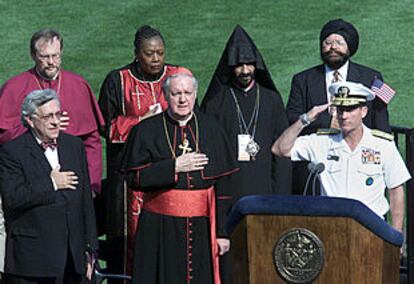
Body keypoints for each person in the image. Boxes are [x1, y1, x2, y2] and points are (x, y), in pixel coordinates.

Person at [121, 70, 238, 284]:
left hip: (204, 227)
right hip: (159, 227)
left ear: (195, 95)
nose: (183, 99)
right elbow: (133, 178)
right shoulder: (146, 131)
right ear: (165, 96)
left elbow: (224, 187)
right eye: (176, 94)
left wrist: (222, 232)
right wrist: (173, 166)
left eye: (187, 93)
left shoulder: (212, 129)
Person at [201, 25, 291, 283]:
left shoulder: (271, 100)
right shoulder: (217, 101)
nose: (244, 70)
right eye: (239, 65)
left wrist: (280, 196)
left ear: (257, 65)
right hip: (228, 192)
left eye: (249, 64)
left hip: (264, 189)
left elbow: (282, 153)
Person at [98, 25, 188, 275]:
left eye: (160, 52)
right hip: (128, 178)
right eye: (150, 53)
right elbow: (104, 125)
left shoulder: (176, 75)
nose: (157, 59)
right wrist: (142, 123)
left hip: (169, 172)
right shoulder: (118, 80)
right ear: (137, 53)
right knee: (128, 238)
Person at [272, 81, 411, 232]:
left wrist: (396, 233)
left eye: (350, 109)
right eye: (340, 109)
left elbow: (396, 189)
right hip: (332, 229)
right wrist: (304, 119)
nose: (343, 116)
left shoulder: (382, 144)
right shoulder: (322, 142)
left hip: (371, 230)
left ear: (363, 111)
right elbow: (280, 149)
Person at [0, 89, 98, 283]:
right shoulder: (12, 152)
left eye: (58, 114)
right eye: (47, 116)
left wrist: (90, 248)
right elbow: (12, 198)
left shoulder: (74, 146)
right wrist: (51, 183)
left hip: (73, 259)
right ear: (30, 120)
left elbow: (85, 200)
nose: (55, 121)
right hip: (35, 261)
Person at [285, 19, 391, 194]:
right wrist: (328, 122)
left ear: (350, 46)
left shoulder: (371, 77)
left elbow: (381, 122)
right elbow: (291, 117)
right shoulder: (302, 79)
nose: (332, 47)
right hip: (317, 166)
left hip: (359, 163)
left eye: (339, 43)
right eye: (327, 43)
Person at [0, 29, 104, 196]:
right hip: (31, 176)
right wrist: (36, 127)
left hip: (72, 175)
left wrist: (92, 184)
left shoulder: (78, 85)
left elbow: (92, 141)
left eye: (55, 56)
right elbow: (3, 137)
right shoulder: (14, 88)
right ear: (33, 56)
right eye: (44, 57)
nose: (51, 62)